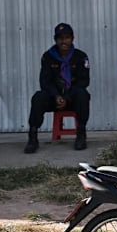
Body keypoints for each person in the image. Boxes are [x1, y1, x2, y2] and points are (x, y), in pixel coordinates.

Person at [24, 23, 90, 153]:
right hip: (54, 99)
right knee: (38, 97)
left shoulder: (80, 56)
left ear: (72, 39)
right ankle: (32, 137)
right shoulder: (48, 57)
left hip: (72, 99)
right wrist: (56, 96)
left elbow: (84, 81)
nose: (63, 41)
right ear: (55, 40)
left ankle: (81, 135)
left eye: (67, 38)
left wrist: (66, 97)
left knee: (82, 94)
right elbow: (45, 81)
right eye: (60, 38)